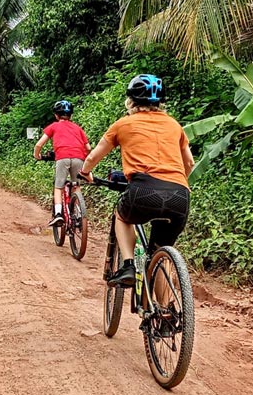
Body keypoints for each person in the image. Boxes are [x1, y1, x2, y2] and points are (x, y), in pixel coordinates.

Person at [80, 74, 194, 287]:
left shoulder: (124, 124)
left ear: (131, 101)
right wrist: (176, 182)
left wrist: (86, 173)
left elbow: (93, 157)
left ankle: (128, 265)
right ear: (160, 103)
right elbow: (189, 162)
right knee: (160, 257)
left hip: (143, 192)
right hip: (179, 196)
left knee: (122, 217)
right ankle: (166, 315)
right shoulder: (174, 125)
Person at [33, 100, 91, 227]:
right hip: (79, 158)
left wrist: (37, 155)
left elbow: (39, 144)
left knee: (58, 187)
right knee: (76, 186)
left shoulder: (54, 126)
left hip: (62, 157)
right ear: (71, 115)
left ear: (56, 115)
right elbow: (88, 148)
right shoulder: (78, 128)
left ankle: (58, 214)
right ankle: (80, 214)